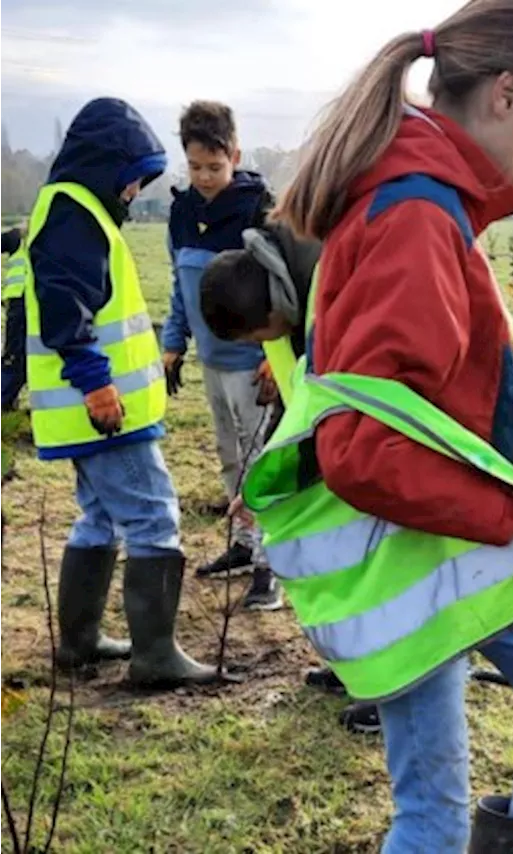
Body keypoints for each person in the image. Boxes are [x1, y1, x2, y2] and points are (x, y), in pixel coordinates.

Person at [239, 2, 513, 850]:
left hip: (446, 539)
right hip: (408, 555)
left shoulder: (433, 208)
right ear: (508, 96)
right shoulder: (415, 217)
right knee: (432, 816)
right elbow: (363, 449)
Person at [12, 98, 216, 687]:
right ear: (107, 165)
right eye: (133, 178)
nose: (134, 191)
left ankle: (78, 642)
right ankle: (156, 657)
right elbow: (63, 311)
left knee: (98, 518)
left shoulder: (73, 209)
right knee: (153, 516)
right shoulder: (75, 213)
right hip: (103, 413)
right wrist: (98, 385)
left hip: (88, 414)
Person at [201, 220, 389, 731]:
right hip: (353, 430)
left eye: (256, 336)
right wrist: (261, 485)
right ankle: (356, 668)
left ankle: (389, 686)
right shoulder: (287, 288)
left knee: (380, 560)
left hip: (399, 428)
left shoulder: (328, 290)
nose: (263, 345)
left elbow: (336, 401)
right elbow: (298, 407)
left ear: (269, 312)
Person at [159, 101, 277, 594]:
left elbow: (285, 287)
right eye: (195, 167)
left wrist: (276, 355)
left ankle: (272, 565)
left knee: (260, 462)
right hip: (211, 361)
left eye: (215, 166)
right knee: (229, 455)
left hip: (253, 362)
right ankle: (246, 544)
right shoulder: (182, 213)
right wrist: (172, 344)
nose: (205, 177)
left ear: (235, 154)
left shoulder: (259, 209)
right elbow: (180, 285)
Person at [0, 226, 28, 410]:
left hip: (24, 302)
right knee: (15, 355)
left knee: (21, 355)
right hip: (20, 301)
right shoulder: (22, 237)